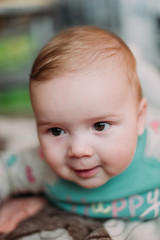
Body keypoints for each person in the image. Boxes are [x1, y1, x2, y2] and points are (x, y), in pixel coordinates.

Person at [0, 26, 160, 225]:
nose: (78, 150)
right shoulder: (41, 165)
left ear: (139, 120)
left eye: (100, 126)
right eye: (56, 131)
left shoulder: (154, 148)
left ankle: (141, 68)